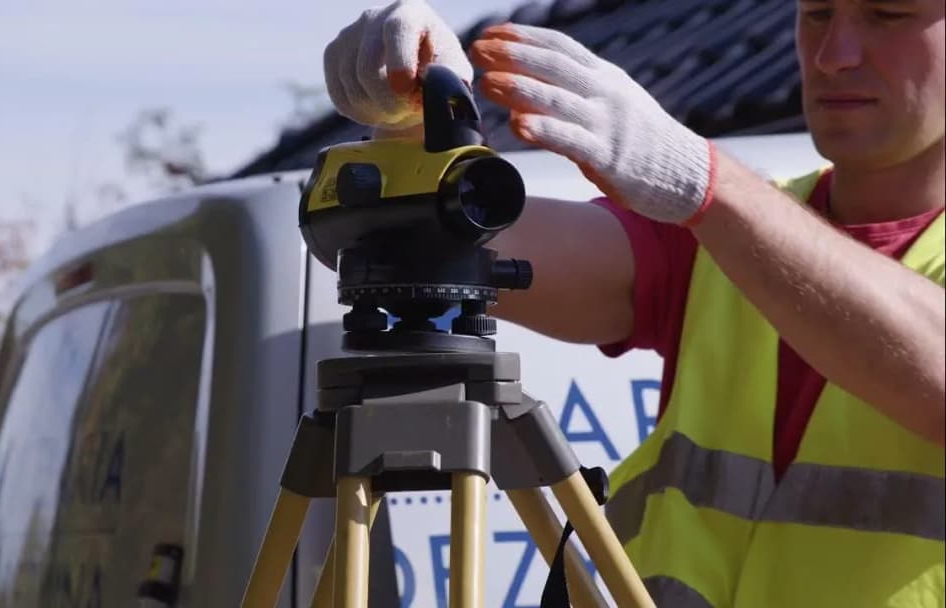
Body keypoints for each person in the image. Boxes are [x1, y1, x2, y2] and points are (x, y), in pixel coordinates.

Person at [322, 0, 944, 606]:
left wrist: (709, 184)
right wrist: (414, 133)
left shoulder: (726, 218)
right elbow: (430, 248)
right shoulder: (715, 238)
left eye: (887, 15)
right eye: (817, 15)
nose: (834, 55)